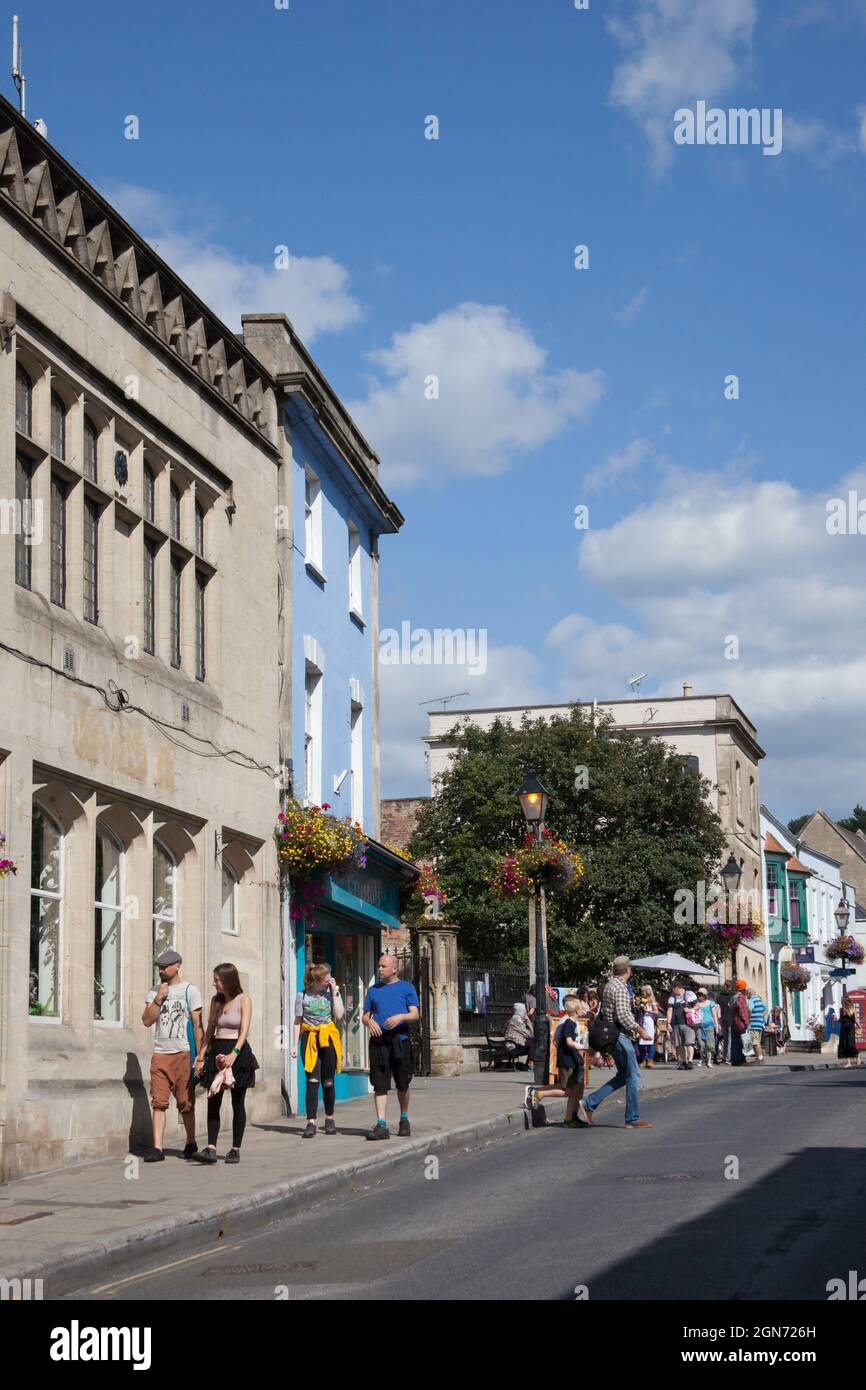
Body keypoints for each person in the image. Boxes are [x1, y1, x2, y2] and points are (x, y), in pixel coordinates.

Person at [577, 957, 653, 1130]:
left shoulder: (610, 984)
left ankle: (590, 1103)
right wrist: (641, 1030)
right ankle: (632, 1118)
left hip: (612, 1036)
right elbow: (624, 1015)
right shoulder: (620, 987)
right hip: (619, 1035)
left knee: (622, 1076)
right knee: (634, 1076)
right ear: (628, 969)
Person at [141, 949, 203, 1162]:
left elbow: (197, 1025)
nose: (161, 970)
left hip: (183, 1053)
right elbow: (147, 1021)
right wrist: (158, 998)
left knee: (185, 1102)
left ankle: (191, 1142)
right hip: (160, 1054)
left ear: (177, 966)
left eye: (165, 966)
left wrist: (200, 1056)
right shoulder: (153, 991)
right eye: (159, 966)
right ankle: (158, 1148)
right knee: (158, 1101)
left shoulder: (190, 990)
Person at [194, 963, 258, 1163]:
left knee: (237, 1101)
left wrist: (234, 1053)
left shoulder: (243, 1000)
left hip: (236, 1053)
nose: (214, 984)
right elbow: (210, 1030)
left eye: (217, 980)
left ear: (228, 980)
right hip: (217, 1051)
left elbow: (244, 1030)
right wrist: (200, 1057)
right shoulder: (216, 1001)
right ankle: (211, 1147)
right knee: (214, 1099)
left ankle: (235, 1149)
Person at [362, 953, 420, 1140]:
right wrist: (369, 1022)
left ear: (394, 968)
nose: (379, 969)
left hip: (399, 1040)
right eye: (379, 966)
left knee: (403, 1083)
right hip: (379, 1042)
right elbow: (365, 1015)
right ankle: (381, 1124)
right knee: (380, 1084)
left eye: (383, 966)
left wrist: (401, 1017)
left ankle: (404, 1119)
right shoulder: (373, 990)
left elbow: (415, 1014)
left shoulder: (406, 988)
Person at [291, 962, 345, 1137]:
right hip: (310, 1038)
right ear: (317, 980)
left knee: (328, 1081)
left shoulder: (331, 993)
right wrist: (294, 1044)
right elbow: (298, 1022)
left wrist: (335, 992)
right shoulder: (302, 996)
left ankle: (329, 1118)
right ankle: (311, 1122)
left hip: (327, 1037)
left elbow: (339, 1015)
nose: (329, 981)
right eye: (326, 979)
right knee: (312, 1082)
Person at [524, 994, 587, 1123]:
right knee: (567, 1090)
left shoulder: (573, 1022)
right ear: (576, 1009)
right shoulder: (568, 1023)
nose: (583, 1009)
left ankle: (570, 1118)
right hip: (567, 1061)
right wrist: (581, 1046)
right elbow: (566, 1041)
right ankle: (539, 1094)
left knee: (571, 1089)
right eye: (580, 1007)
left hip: (572, 1060)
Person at [666, 981, 696, 1070]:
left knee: (689, 1043)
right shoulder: (672, 998)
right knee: (680, 1045)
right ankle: (683, 1062)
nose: (672, 990)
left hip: (688, 1024)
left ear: (677, 987)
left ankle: (690, 1061)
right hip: (676, 1024)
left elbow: (697, 1005)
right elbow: (669, 1011)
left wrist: (691, 1010)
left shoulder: (689, 994)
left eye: (673, 988)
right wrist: (668, 1023)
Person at [503, 1002, 535, 1068]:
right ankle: (530, 1064)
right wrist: (528, 1020)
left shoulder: (513, 1018)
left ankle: (529, 1063)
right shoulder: (517, 1020)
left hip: (512, 1046)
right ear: (520, 1010)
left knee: (532, 1043)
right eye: (525, 1010)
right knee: (533, 1042)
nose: (526, 1012)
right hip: (513, 1048)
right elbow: (529, 1034)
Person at [695, 987, 720, 1068]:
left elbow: (714, 1015)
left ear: (705, 995)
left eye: (701, 995)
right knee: (701, 1044)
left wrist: (716, 1026)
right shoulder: (697, 1004)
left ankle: (709, 1062)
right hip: (700, 1026)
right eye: (698, 995)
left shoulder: (710, 1003)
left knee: (709, 1045)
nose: (699, 997)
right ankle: (702, 1059)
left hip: (709, 1026)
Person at [731, 978, 752, 1066]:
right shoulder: (741, 997)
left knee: (736, 1043)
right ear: (743, 988)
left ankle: (735, 1060)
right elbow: (742, 1011)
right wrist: (746, 1022)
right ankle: (743, 1060)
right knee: (745, 1042)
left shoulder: (734, 997)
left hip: (734, 1023)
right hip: (741, 1024)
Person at [637, 985, 659, 1067]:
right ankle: (643, 1059)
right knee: (641, 1042)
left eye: (644, 991)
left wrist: (648, 1010)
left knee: (650, 1041)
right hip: (642, 1021)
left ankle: (650, 1059)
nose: (642, 993)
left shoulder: (651, 1000)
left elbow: (656, 1012)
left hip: (649, 1021)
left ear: (648, 992)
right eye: (642, 992)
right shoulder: (642, 1001)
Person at [716, 979, 736, 1063]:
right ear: (730, 987)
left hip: (722, 1019)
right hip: (731, 1019)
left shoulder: (719, 997)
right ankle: (728, 1057)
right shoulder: (733, 996)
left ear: (724, 986)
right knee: (730, 1038)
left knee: (725, 1039)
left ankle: (724, 1056)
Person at [838, 998, 861, 1067]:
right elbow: (841, 1019)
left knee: (851, 1045)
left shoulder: (852, 1009)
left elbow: (855, 1020)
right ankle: (848, 1063)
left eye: (843, 1002)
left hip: (850, 1029)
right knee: (845, 1045)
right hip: (843, 1029)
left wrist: (859, 1027)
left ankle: (858, 1056)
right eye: (841, 1002)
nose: (842, 1003)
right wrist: (836, 1019)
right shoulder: (841, 1010)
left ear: (846, 1002)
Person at [747, 987, 767, 1063]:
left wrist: (748, 1019)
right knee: (757, 1040)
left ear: (749, 993)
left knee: (755, 1042)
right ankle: (758, 1056)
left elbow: (749, 1010)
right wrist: (761, 1016)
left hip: (753, 1023)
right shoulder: (760, 1000)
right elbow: (765, 1009)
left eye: (747, 994)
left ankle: (760, 1057)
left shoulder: (752, 1000)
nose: (746, 996)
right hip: (760, 1023)